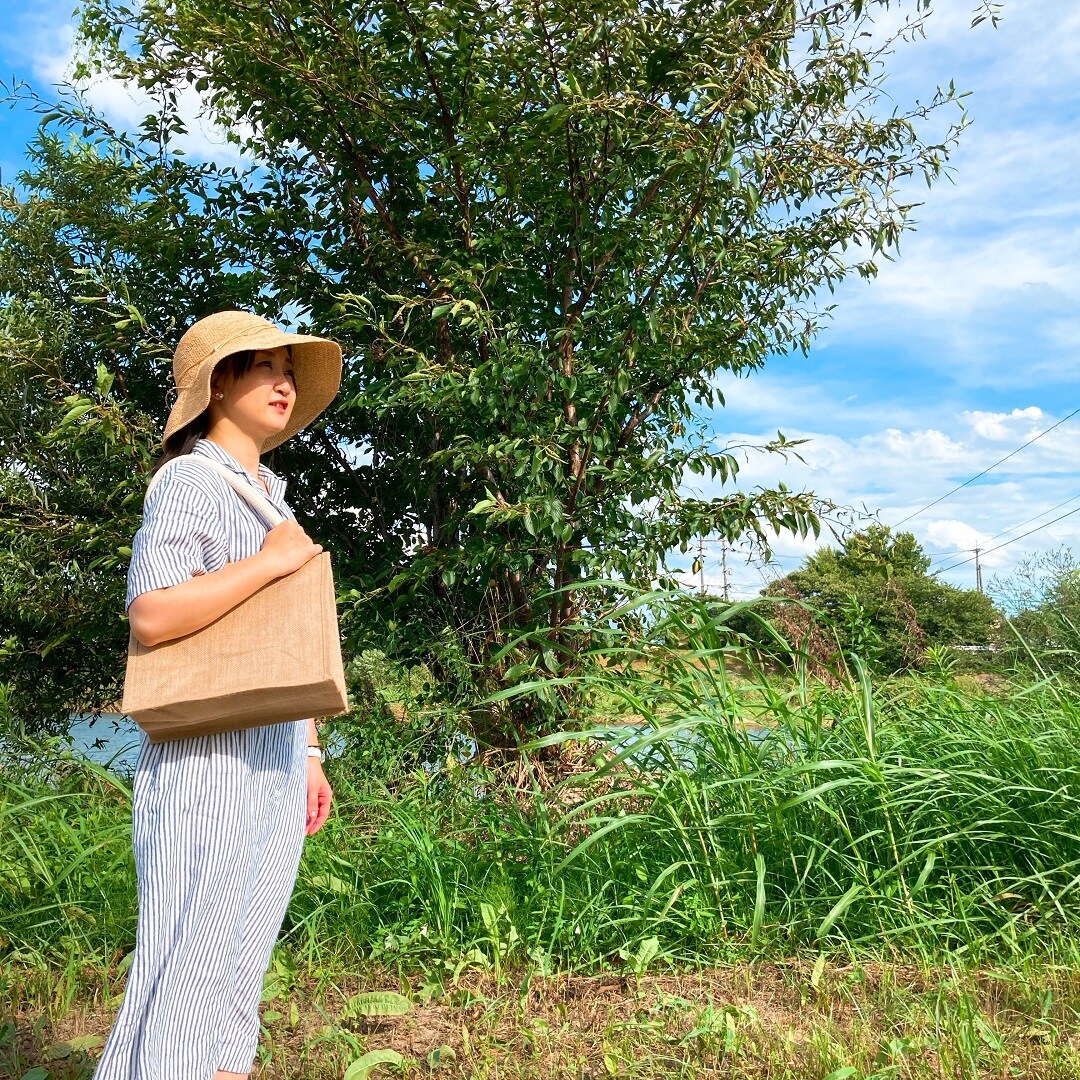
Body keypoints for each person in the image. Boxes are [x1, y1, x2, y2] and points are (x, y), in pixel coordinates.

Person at [95, 310, 344, 1080]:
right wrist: (271, 563)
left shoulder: (269, 491)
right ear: (215, 385)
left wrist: (308, 750)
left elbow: (284, 642)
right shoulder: (190, 479)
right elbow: (152, 611)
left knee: (237, 974)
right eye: (261, 366)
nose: (283, 382)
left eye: (287, 370)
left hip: (268, 756)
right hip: (202, 761)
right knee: (185, 972)